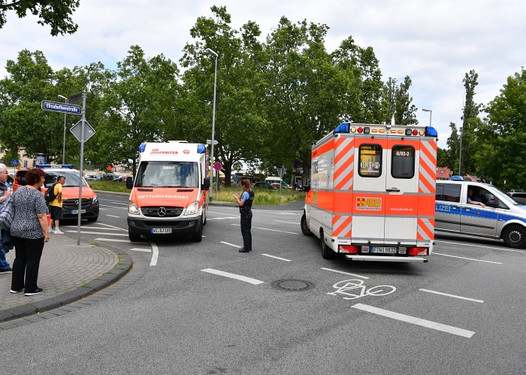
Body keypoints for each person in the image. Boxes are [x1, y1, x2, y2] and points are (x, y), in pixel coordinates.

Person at [10, 168, 50, 296]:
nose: (44, 180)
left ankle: (16, 287)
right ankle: (30, 288)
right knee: (33, 260)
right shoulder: (37, 194)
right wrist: (47, 233)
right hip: (33, 232)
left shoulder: (18, 191)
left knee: (20, 258)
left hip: (16, 230)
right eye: (42, 177)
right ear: (37, 179)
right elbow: (41, 216)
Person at [234, 178, 254, 253]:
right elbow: (245, 199)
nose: (241, 187)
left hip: (244, 214)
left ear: (244, 185)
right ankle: (249, 246)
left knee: (244, 231)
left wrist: (237, 199)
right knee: (248, 230)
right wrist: (239, 197)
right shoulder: (251, 192)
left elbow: (241, 203)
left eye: (241, 186)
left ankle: (246, 247)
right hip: (249, 212)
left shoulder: (245, 193)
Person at [0, 163, 13, 273]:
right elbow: (7, 197)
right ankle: (3, 265)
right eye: (6, 173)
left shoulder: (5, 185)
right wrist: (5, 196)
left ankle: (3, 264)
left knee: (3, 242)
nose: (7, 175)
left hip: (4, 219)